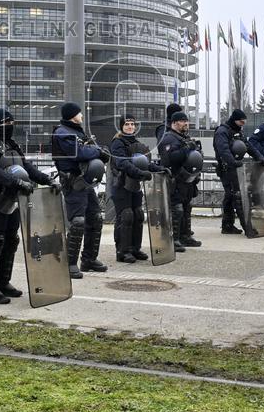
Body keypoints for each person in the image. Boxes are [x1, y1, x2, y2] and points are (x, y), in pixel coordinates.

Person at [0, 107, 55, 303]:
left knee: (11, 240)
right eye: (6, 123)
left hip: (14, 200)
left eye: (11, 123)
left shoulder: (11, 144)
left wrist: (47, 180)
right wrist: (15, 182)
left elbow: (26, 167)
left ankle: (3, 282)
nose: (10, 126)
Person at [51, 102, 108, 279]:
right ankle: (68, 264)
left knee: (96, 217)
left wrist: (98, 151)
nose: (82, 115)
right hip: (73, 182)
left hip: (85, 181)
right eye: (79, 113)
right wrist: (98, 152)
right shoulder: (62, 133)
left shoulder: (77, 131)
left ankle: (89, 259)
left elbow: (89, 148)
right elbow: (79, 153)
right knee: (78, 222)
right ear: (72, 115)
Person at [110, 114, 165, 262]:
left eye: (132, 124)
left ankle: (135, 248)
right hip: (121, 185)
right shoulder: (117, 143)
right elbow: (123, 163)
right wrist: (141, 173)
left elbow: (145, 162)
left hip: (134, 185)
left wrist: (159, 169)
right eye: (127, 124)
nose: (130, 127)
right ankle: (123, 251)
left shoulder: (137, 143)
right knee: (126, 216)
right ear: (121, 126)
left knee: (138, 215)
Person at [213, 109, 264, 236]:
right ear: (234, 120)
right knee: (238, 196)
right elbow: (223, 150)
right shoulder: (222, 132)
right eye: (240, 122)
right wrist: (233, 162)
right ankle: (248, 228)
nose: (242, 124)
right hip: (227, 169)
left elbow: (247, 146)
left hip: (235, 168)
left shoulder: (237, 131)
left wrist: (260, 157)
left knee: (230, 196)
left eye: (244, 122)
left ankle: (227, 225)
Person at [158, 111, 204, 252]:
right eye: (183, 121)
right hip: (175, 179)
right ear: (174, 123)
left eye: (187, 121)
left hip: (187, 179)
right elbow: (170, 158)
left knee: (187, 207)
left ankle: (185, 236)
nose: (186, 123)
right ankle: (174, 239)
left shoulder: (183, 137)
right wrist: (187, 149)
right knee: (176, 210)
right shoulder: (168, 138)